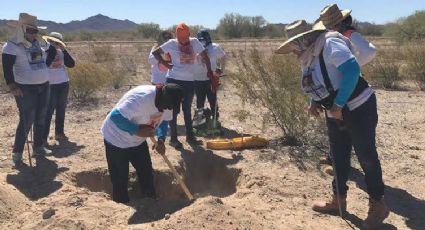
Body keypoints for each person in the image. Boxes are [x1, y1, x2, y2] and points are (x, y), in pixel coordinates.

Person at [276, 20, 389, 229]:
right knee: (338, 155)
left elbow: (352, 71)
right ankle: (339, 200)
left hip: (358, 107)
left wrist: (338, 104)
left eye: (293, 44)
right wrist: (314, 102)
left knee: (366, 156)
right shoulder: (308, 55)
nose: (292, 50)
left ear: (304, 39)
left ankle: (378, 204)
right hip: (335, 110)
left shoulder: (329, 45)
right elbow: (319, 81)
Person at [314, 4, 377, 174]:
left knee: (344, 125)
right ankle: (334, 159)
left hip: (349, 88)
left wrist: (349, 67)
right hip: (338, 86)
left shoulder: (349, 34)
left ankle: (339, 163)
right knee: (336, 127)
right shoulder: (333, 37)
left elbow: (370, 52)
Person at [100, 83, 184, 203]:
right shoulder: (140, 99)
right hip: (116, 139)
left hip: (138, 142)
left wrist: (161, 139)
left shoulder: (168, 103)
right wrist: (137, 130)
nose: (169, 109)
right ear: (162, 98)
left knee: (146, 172)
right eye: (168, 106)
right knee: (120, 177)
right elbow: (115, 116)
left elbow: (164, 121)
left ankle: (150, 200)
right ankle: (121, 203)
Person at [2, 13, 57, 167]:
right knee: (27, 119)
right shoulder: (11, 46)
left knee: (41, 117)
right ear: (21, 30)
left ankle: (38, 147)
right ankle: (17, 152)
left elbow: (52, 49)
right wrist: (12, 86)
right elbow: (7, 68)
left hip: (44, 85)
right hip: (25, 88)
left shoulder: (39, 44)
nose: (34, 34)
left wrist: (46, 65)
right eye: (30, 30)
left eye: (35, 31)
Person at [152, 23, 214, 149]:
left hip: (189, 82)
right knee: (173, 111)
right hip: (173, 81)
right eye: (181, 39)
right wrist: (167, 64)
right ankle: (174, 139)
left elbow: (205, 57)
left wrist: (209, 71)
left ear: (189, 35)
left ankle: (190, 137)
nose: (184, 42)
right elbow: (155, 53)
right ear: (177, 36)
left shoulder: (195, 42)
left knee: (187, 109)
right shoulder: (171, 43)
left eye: (186, 39)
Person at [42, 32, 75, 145]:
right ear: (49, 41)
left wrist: (64, 50)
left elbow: (71, 64)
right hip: (50, 84)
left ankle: (59, 133)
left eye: (57, 42)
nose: (54, 43)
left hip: (63, 83)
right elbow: (45, 64)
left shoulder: (61, 51)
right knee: (48, 111)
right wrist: (51, 51)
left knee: (61, 109)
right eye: (52, 41)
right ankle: (43, 138)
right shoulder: (44, 51)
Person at [193, 29, 225, 127]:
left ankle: (215, 120)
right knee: (199, 101)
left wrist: (221, 69)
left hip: (211, 79)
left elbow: (224, 56)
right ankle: (200, 122)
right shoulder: (194, 48)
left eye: (203, 39)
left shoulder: (214, 47)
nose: (202, 41)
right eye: (200, 40)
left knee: (212, 100)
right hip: (198, 79)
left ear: (207, 38)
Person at [148, 31, 173, 142]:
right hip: (157, 82)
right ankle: (156, 128)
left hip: (168, 81)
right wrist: (162, 54)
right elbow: (151, 60)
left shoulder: (172, 48)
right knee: (157, 106)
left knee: (168, 107)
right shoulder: (155, 48)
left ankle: (166, 126)